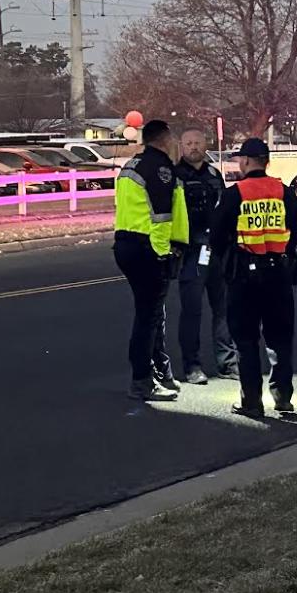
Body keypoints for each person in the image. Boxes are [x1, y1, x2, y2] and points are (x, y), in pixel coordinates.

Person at [209, 137, 297, 418]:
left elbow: (217, 236)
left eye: (241, 159)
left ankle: (252, 400)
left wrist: (229, 259)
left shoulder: (234, 193)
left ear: (247, 161)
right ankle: (283, 397)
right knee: (280, 338)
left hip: (244, 276)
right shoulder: (283, 192)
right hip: (279, 274)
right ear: (267, 161)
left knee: (246, 340)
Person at [114, 118, 189, 401]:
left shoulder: (131, 165)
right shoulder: (159, 169)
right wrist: (163, 254)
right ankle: (141, 381)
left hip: (126, 243)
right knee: (147, 318)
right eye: (172, 139)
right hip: (147, 248)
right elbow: (161, 217)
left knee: (153, 314)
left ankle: (160, 373)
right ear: (164, 139)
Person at [173, 126, 235, 384]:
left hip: (217, 250)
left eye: (197, 142)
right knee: (192, 311)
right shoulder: (174, 176)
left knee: (223, 310)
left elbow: (224, 209)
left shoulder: (213, 174)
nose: (193, 147)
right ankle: (192, 366)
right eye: (188, 143)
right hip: (191, 252)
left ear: (206, 144)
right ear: (181, 146)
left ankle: (227, 363)